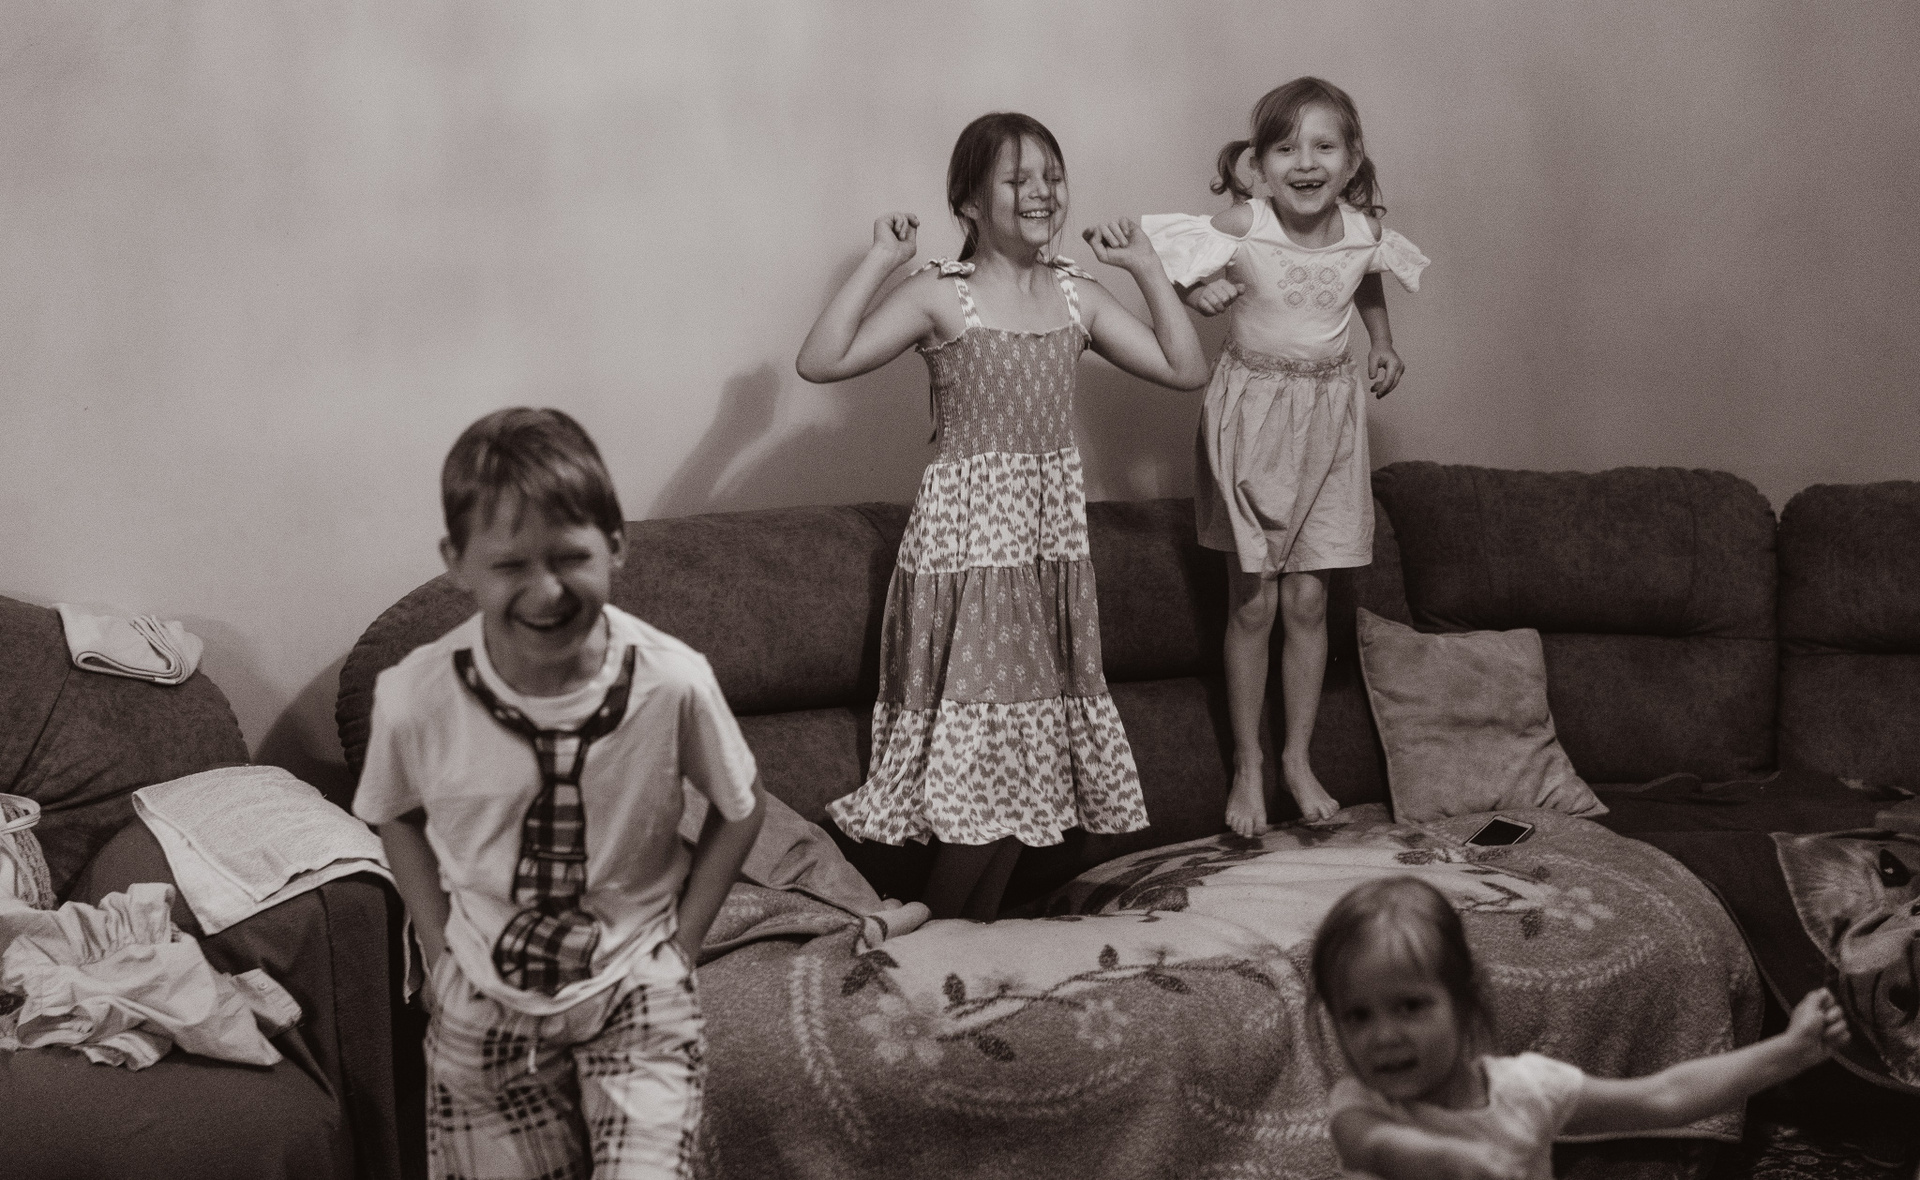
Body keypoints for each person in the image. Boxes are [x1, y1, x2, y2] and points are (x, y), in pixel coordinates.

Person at [796, 112, 1209, 920]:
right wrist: (881, 260)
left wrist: (1146, 268)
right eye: (1018, 180)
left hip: (1046, 551)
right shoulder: (942, 295)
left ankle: (962, 933)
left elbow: (1185, 367)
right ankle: (938, 932)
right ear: (970, 203)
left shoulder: (1077, 296)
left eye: (1052, 176)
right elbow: (821, 360)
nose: (1042, 192)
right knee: (991, 751)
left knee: (1029, 752)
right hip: (967, 550)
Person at [354, 407, 765, 1180]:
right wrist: (439, 950)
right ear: (457, 563)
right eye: (511, 564)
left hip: (636, 985)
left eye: (571, 556)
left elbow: (741, 806)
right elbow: (394, 816)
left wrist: (681, 947)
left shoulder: (672, 681)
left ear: (616, 545)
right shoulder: (415, 696)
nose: (546, 591)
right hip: (485, 996)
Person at [1142, 77, 1429, 837]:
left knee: (1308, 602)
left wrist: (1383, 342)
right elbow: (1167, 259)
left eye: (1324, 146)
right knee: (1255, 601)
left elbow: (1366, 280)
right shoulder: (1248, 221)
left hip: (1331, 420)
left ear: (1352, 158)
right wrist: (1199, 290)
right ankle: (1250, 762)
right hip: (1253, 417)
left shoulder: (1362, 230)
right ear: (1260, 165)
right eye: (1285, 148)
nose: (1305, 162)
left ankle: (1298, 759)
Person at [1309, 877, 1852, 1180]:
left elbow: (1663, 1097)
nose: (1383, 1035)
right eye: (1358, 1015)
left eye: (1409, 1006)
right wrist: (1454, 1161)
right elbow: (1380, 1149)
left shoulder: (1528, 1089)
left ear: (1464, 999)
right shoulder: (1360, 1107)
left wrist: (1790, 1050)